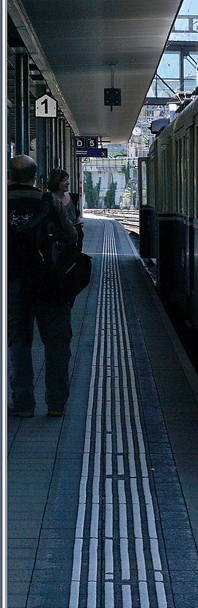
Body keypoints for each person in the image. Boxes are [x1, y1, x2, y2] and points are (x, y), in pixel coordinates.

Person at [7, 155, 78, 418]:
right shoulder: (49, 202)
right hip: (49, 283)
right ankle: (56, 404)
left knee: (18, 344)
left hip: (12, 283)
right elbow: (71, 236)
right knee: (57, 343)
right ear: (35, 177)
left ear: (9, 177)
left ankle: (23, 404)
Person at [48, 167, 83, 245]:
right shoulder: (48, 200)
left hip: (73, 244)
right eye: (64, 180)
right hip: (56, 244)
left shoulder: (73, 198)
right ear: (56, 181)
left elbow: (77, 218)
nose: (68, 183)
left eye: (67, 179)